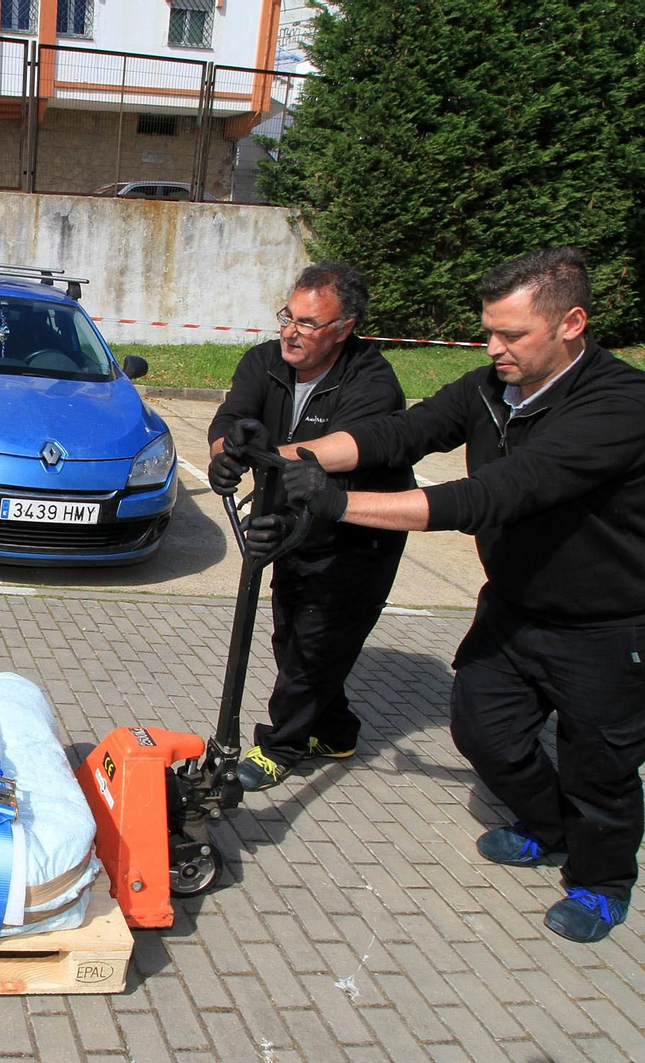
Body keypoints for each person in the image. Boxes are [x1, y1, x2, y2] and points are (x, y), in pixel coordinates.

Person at [248, 248, 645, 944]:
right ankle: (546, 827)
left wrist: (336, 504)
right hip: (516, 604)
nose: (494, 348)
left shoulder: (626, 407)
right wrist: (283, 454)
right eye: (489, 331)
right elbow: (403, 432)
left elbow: (493, 495)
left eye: (511, 334)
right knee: (484, 729)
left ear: (572, 322)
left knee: (599, 765)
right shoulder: (490, 388)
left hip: (614, 626)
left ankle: (602, 881)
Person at [207, 262, 414, 794]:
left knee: (315, 645)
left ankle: (282, 746)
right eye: (287, 317)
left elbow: (331, 468)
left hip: (355, 534)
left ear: (344, 328)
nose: (290, 333)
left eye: (308, 323)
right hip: (289, 528)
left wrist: (262, 456)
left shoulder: (373, 383)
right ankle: (337, 732)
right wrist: (224, 455)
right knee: (293, 637)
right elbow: (232, 417)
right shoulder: (265, 361)